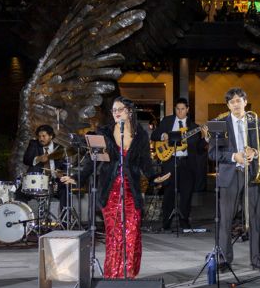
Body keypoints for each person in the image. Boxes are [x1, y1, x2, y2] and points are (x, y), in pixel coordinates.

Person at [64, 97, 170, 278]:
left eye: (120, 109)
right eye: (114, 110)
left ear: (129, 111)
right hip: (110, 191)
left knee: (131, 233)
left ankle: (128, 274)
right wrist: (77, 177)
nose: (116, 113)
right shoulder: (104, 132)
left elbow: (146, 163)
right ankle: (113, 275)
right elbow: (92, 160)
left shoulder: (141, 135)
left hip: (131, 191)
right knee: (114, 236)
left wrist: (154, 177)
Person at [209, 87, 260, 271]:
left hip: (251, 176)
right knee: (225, 220)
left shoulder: (255, 121)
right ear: (228, 105)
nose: (235, 104)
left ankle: (256, 260)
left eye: (238, 100)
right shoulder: (219, 124)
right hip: (229, 177)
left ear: (245, 102)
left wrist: (255, 152)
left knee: (255, 219)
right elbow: (213, 153)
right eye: (232, 102)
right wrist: (235, 157)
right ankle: (225, 259)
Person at [150, 97, 209, 232]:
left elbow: (199, 149)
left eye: (183, 109)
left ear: (187, 110)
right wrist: (163, 135)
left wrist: (205, 138)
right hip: (170, 161)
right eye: (178, 109)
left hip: (187, 163)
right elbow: (154, 135)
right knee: (168, 193)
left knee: (186, 194)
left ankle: (184, 222)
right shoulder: (167, 121)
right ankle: (166, 222)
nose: (180, 111)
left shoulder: (194, 127)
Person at [21, 124, 71, 214]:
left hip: (54, 181)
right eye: (39, 136)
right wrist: (39, 158)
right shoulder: (34, 144)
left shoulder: (59, 148)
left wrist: (61, 172)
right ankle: (24, 218)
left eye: (44, 136)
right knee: (20, 193)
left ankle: (65, 221)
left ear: (51, 136)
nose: (41, 139)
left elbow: (64, 166)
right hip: (37, 181)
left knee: (65, 189)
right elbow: (26, 160)